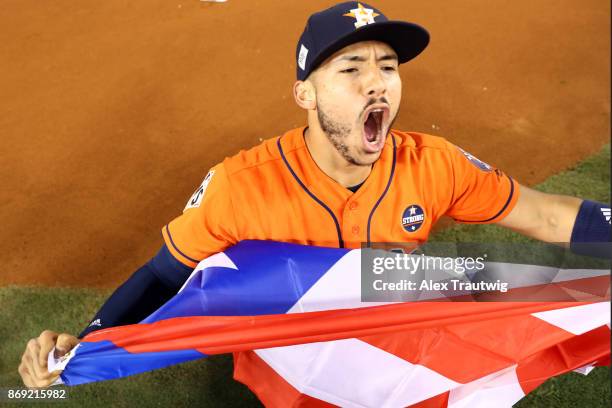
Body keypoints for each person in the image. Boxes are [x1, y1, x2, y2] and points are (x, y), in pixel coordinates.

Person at [19, 1, 610, 399]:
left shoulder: (434, 163)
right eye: (351, 67)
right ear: (305, 93)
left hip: (391, 347)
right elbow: (163, 274)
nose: (376, 81)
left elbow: (545, 215)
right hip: (289, 360)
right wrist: (90, 338)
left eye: (388, 66)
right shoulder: (240, 185)